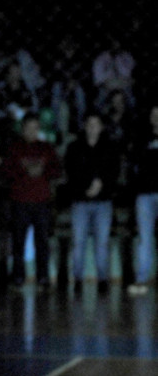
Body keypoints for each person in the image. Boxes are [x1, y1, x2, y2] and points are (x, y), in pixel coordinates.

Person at [0, 113, 62, 290]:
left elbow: (56, 170)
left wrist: (42, 171)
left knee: (42, 241)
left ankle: (43, 276)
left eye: (35, 128)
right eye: (28, 128)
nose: (32, 131)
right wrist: (24, 172)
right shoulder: (14, 148)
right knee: (18, 241)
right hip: (20, 201)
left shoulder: (46, 148)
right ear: (23, 129)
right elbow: (5, 171)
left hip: (42, 201)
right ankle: (18, 275)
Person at [63, 111, 120, 294]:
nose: (92, 127)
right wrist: (86, 188)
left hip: (103, 201)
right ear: (85, 126)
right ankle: (78, 280)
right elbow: (70, 172)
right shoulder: (74, 147)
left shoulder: (110, 147)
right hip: (80, 201)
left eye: (96, 123)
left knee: (102, 242)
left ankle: (103, 280)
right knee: (78, 242)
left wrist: (101, 184)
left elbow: (114, 172)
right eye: (89, 123)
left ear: (102, 127)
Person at [128, 102, 158, 295]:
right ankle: (141, 279)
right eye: (154, 113)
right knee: (144, 239)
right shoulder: (141, 139)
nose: (157, 117)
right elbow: (136, 165)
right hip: (144, 194)